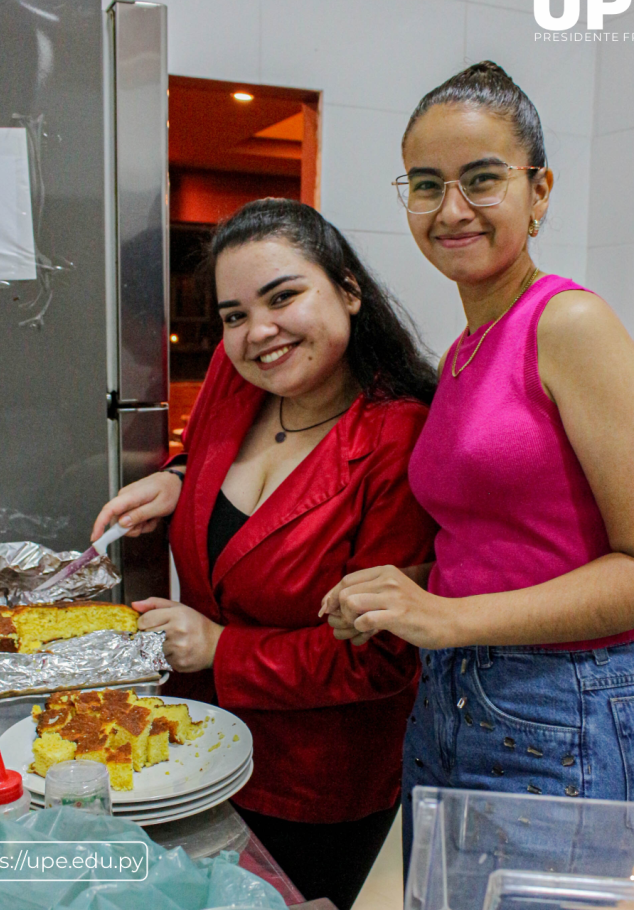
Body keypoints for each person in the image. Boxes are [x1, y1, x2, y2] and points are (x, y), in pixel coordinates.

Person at [321, 61, 634, 870]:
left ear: (540, 190)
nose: (451, 209)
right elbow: (509, 541)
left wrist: (450, 618)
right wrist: (401, 588)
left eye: (481, 179)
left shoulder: (570, 326)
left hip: (561, 707)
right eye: (426, 185)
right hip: (453, 692)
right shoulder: (462, 349)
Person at [92, 199, 438, 910]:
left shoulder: (397, 439)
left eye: (284, 297)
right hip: (193, 748)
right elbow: (223, 467)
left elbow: (381, 655)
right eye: (235, 314)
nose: (259, 332)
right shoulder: (235, 373)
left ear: (347, 288)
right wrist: (178, 477)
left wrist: (221, 648)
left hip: (315, 784)